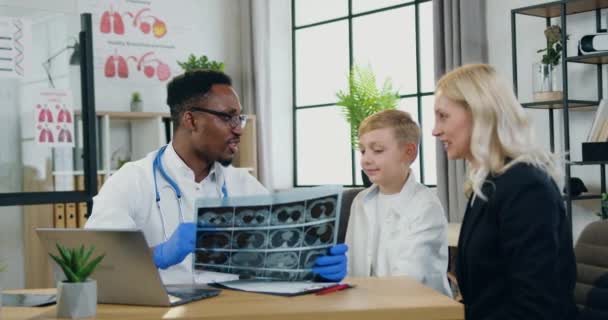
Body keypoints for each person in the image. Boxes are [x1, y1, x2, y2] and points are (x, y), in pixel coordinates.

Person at [86, 69, 347, 284]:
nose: (239, 130)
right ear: (191, 120)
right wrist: (159, 254)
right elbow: (94, 262)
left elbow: (278, 255)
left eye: (240, 118)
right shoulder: (132, 180)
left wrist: (315, 267)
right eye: (227, 118)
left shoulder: (243, 185)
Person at [432, 64, 577, 320]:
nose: (435, 130)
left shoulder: (525, 187)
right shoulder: (488, 182)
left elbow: (537, 308)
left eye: (443, 116)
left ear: (479, 114)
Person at [345, 109, 451, 296]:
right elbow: (351, 267)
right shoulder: (360, 202)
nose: (366, 159)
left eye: (377, 150)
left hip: (414, 310)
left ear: (408, 153)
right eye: (363, 150)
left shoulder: (425, 206)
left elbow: (406, 282)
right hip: (367, 307)